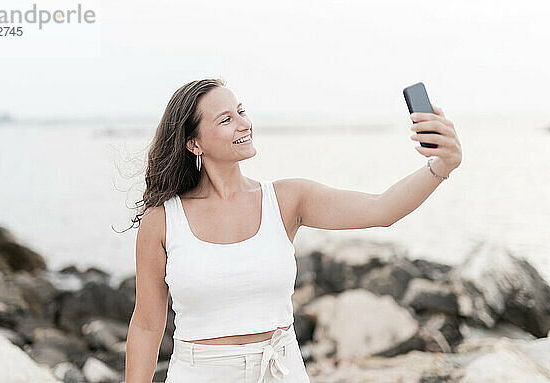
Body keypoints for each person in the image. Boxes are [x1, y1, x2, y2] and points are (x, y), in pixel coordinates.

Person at [124, 78, 463, 383]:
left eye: (241, 111)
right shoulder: (163, 219)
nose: (244, 124)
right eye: (226, 119)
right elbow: (147, 325)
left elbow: (383, 209)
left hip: (281, 371)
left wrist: (442, 165)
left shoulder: (287, 200)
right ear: (194, 143)